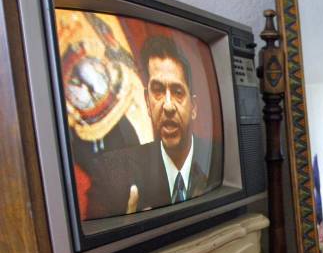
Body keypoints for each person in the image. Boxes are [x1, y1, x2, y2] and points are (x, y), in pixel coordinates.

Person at [86, 36, 222, 218]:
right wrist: (123, 235)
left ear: (194, 108)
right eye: (158, 90)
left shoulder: (219, 159)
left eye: (177, 92)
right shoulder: (111, 174)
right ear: (147, 103)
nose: (167, 106)